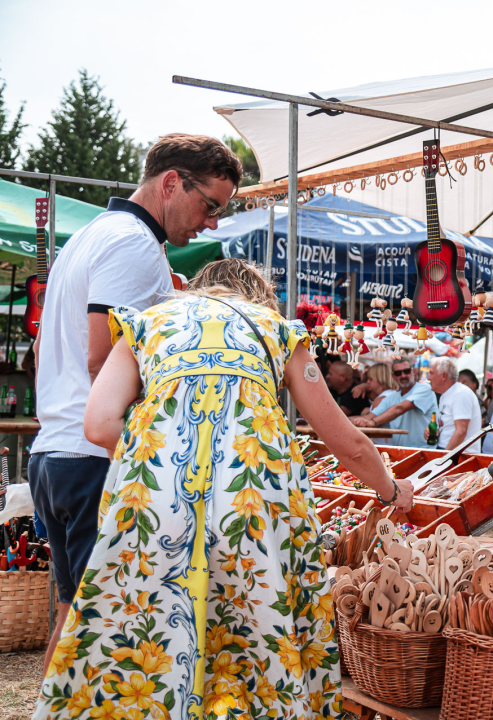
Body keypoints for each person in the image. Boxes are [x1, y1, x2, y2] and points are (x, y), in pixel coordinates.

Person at [34, 259, 413, 720]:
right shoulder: (276, 328)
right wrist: (393, 491)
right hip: (252, 498)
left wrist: (167, 452)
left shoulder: (144, 323)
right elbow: (347, 443)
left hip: (156, 498)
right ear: (257, 295)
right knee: (253, 633)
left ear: (196, 288)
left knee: (143, 631)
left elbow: (97, 425)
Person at [28, 134, 242, 677]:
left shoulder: (94, 234)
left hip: (57, 452)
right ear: (172, 182)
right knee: (106, 638)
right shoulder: (133, 244)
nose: (212, 222)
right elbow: (104, 362)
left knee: (73, 620)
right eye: (209, 205)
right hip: (95, 458)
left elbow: (42, 349)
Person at [356, 357, 437, 448]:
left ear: (413, 371)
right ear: (393, 376)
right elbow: (371, 415)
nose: (403, 376)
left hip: (424, 450)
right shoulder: (392, 397)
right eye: (398, 373)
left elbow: (399, 409)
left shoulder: (424, 389)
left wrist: (373, 422)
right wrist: (359, 421)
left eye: (406, 371)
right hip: (401, 451)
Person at [426, 358, 483, 452]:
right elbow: (450, 427)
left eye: (431, 373)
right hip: (452, 454)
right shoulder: (448, 393)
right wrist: (433, 431)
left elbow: (461, 432)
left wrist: (442, 459)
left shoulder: (460, 393)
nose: (429, 378)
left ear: (443, 376)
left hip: (460, 457)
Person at [360, 362, 400, 445]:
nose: (367, 382)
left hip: (383, 445)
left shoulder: (381, 399)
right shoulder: (393, 394)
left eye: (370, 379)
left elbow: (371, 425)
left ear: (380, 380)